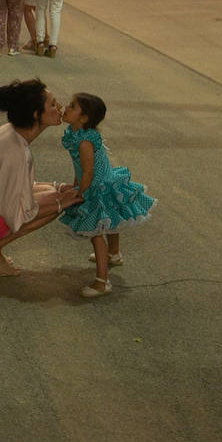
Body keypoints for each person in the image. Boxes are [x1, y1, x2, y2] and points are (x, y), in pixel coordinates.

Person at [0, 81, 83, 276]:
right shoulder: (17, 152)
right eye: (53, 104)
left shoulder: (9, 131)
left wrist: (58, 187)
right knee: (54, 203)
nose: (60, 107)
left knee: (52, 193)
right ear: (36, 115)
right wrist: (60, 204)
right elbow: (15, 211)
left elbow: (16, 187)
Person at [58, 93, 155, 298]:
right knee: (110, 222)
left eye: (72, 106)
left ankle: (101, 282)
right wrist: (75, 183)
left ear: (83, 118)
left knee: (95, 233)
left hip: (97, 188)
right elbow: (80, 168)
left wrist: (80, 193)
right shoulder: (78, 134)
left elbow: (88, 171)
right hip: (102, 182)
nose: (66, 107)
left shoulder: (84, 141)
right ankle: (114, 254)